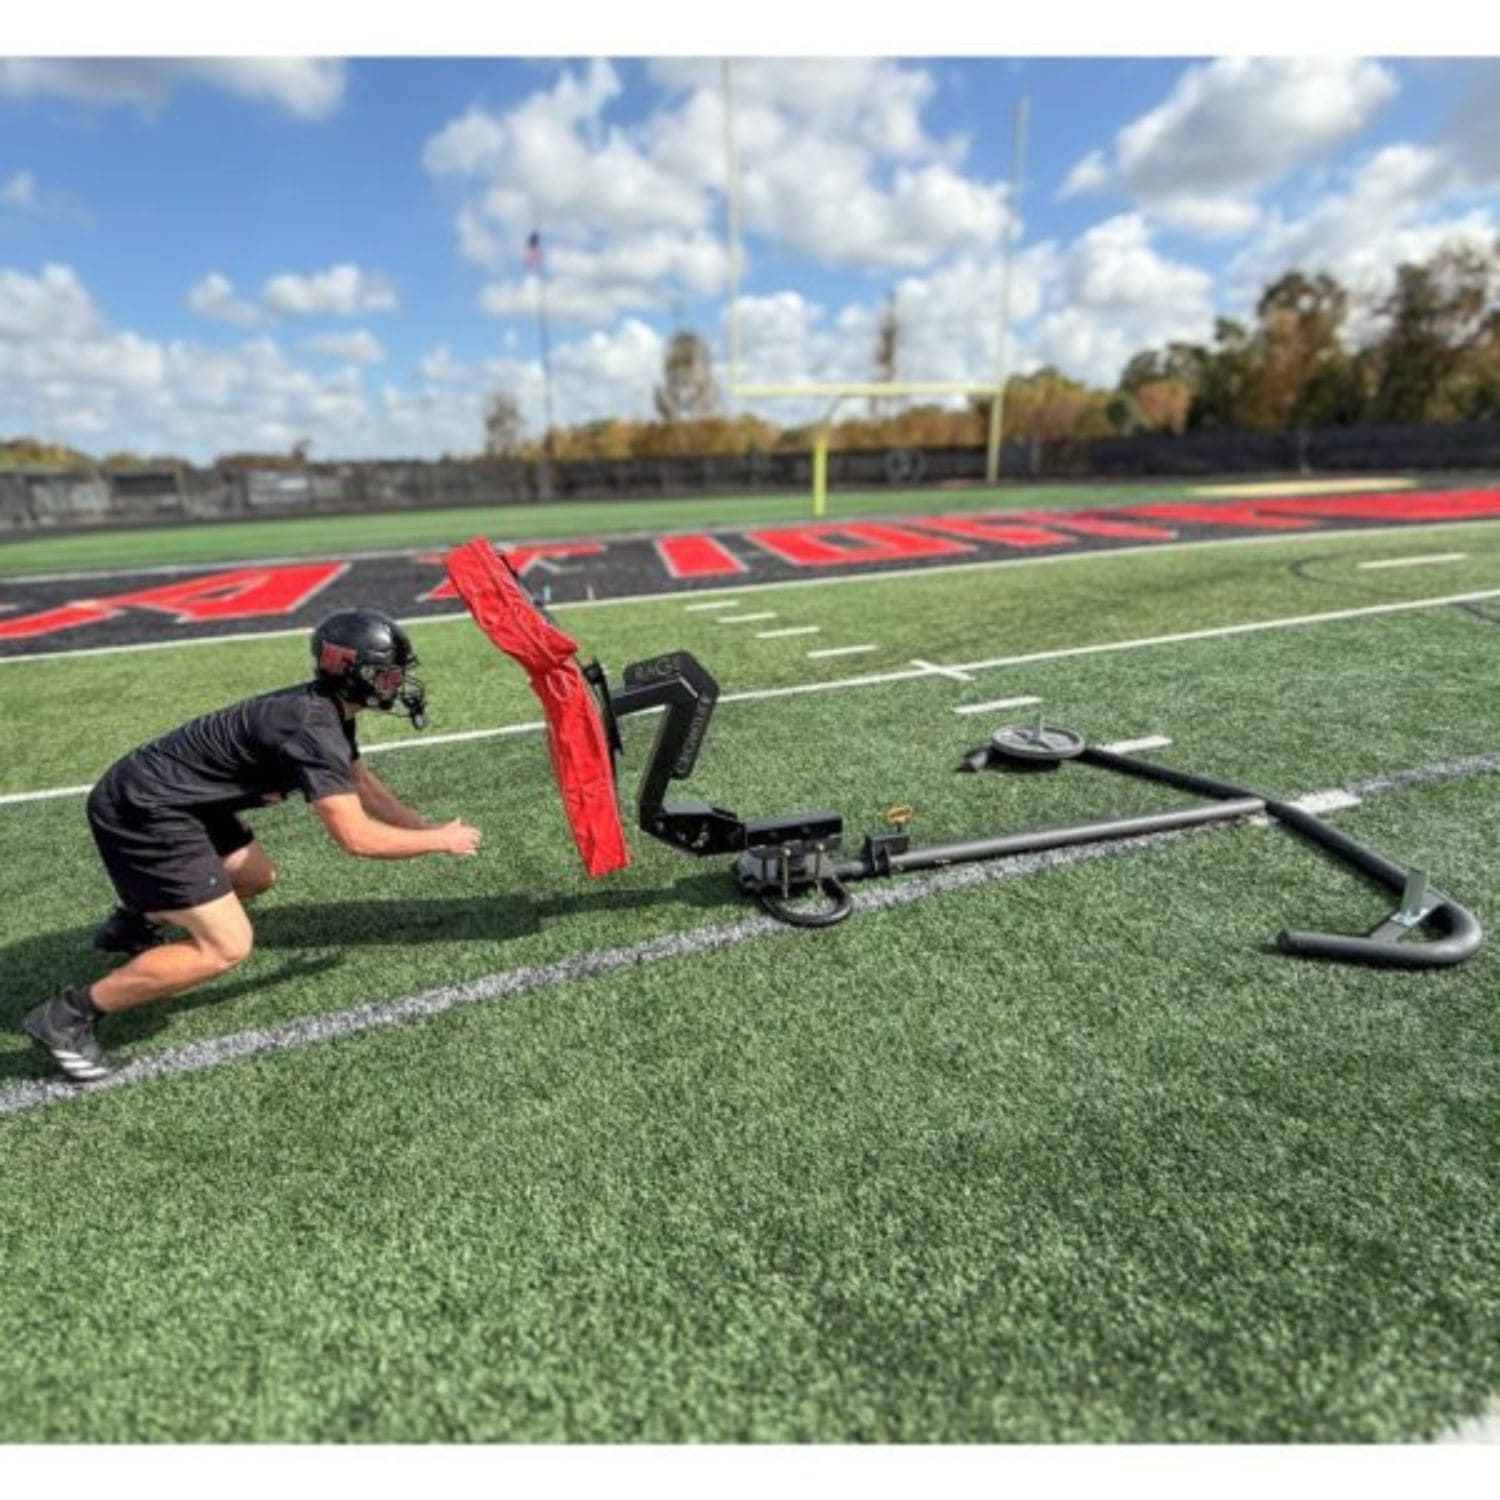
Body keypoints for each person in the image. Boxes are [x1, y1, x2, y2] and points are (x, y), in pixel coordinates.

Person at [21, 607, 481, 1084]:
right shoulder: (311, 725)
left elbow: (361, 785)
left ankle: (137, 920)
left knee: (257, 876)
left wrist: (424, 825)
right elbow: (356, 838)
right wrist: (435, 841)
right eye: (385, 674)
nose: (395, 683)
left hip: (178, 801)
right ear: (349, 672)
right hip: (144, 809)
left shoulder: (328, 711)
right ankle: (69, 1016)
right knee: (226, 947)